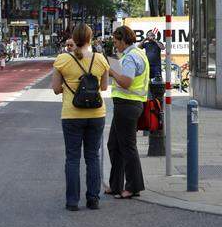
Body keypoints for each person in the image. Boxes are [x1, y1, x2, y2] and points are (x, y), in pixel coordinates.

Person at [52, 23, 110, 211]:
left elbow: (55, 89)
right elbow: (103, 88)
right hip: (96, 114)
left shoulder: (62, 60)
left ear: (73, 38)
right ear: (90, 38)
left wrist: (70, 86)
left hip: (71, 114)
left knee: (72, 158)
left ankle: (72, 201)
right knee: (93, 157)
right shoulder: (100, 59)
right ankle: (93, 199)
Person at [106, 26, 150, 199]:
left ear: (124, 40)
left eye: (116, 42)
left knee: (127, 147)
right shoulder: (135, 54)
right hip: (127, 105)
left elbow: (126, 82)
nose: (115, 45)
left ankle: (133, 187)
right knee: (114, 145)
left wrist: (111, 72)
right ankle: (115, 185)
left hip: (128, 105)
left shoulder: (131, 57)